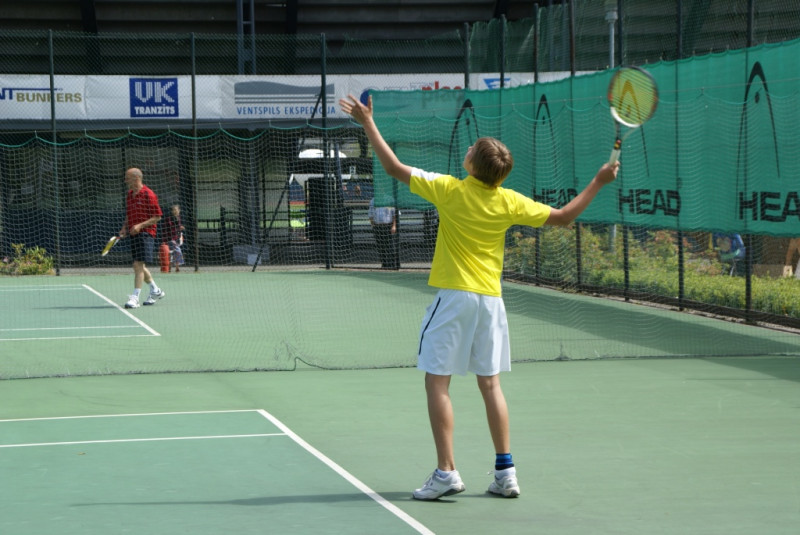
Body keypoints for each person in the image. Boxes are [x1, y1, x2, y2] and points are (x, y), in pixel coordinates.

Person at [339, 94, 619, 500]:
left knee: (437, 383)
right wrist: (599, 181)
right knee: (491, 385)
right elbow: (564, 217)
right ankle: (506, 474)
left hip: (454, 299)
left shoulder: (451, 190)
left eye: (472, 149)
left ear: (474, 165)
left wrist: (367, 122)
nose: (468, 148)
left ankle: (446, 471)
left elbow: (392, 167)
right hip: (491, 302)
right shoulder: (507, 199)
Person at [119, 167, 165, 308]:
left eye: (127, 177)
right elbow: (129, 213)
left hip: (146, 234)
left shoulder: (149, 194)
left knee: (138, 265)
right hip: (134, 233)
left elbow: (157, 216)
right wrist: (124, 227)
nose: (125, 180)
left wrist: (140, 225)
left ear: (136, 178)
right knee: (139, 265)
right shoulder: (130, 194)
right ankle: (155, 290)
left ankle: (135, 298)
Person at [368, 193, 399, 269]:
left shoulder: (390, 200)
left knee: (390, 246)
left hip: (388, 226)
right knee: (380, 246)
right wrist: (373, 225)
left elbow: (395, 214)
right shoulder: (373, 201)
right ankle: (384, 264)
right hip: (378, 226)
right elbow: (370, 214)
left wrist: (394, 225)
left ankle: (392, 264)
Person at [165, 203, 185, 272]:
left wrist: (180, 228)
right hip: (170, 238)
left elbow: (178, 227)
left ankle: (176, 267)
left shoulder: (178, 218)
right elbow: (170, 227)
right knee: (176, 251)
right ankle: (171, 267)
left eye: (176, 210)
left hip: (177, 237)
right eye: (174, 210)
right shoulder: (169, 218)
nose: (175, 211)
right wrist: (179, 227)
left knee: (174, 253)